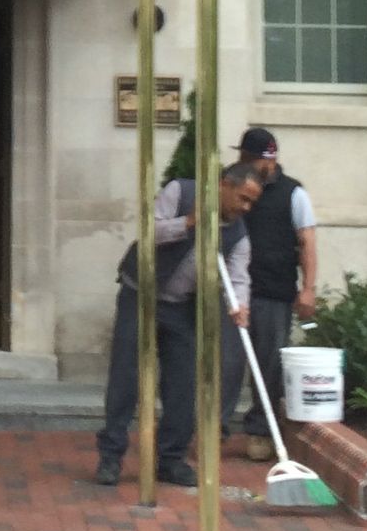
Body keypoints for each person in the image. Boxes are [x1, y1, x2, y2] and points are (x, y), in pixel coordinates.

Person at [96, 161, 260, 489]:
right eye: (242, 198)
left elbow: (238, 276)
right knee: (126, 378)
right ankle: (111, 457)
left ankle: (171, 460)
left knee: (183, 384)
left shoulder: (238, 235)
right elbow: (149, 231)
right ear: (225, 184)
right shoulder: (181, 192)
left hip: (182, 307)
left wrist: (239, 306)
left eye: (251, 202)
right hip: (139, 296)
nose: (246, 207)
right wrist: (188, 222)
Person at [225, 125, 320, 463]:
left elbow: (307, 239)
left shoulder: (293, 193)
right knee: (227, 363)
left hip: (273, 291)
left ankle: (260, 432)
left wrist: (308, 289)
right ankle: (215, 429)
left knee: (268, 365)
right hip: (232, 292)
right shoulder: (230, 182)